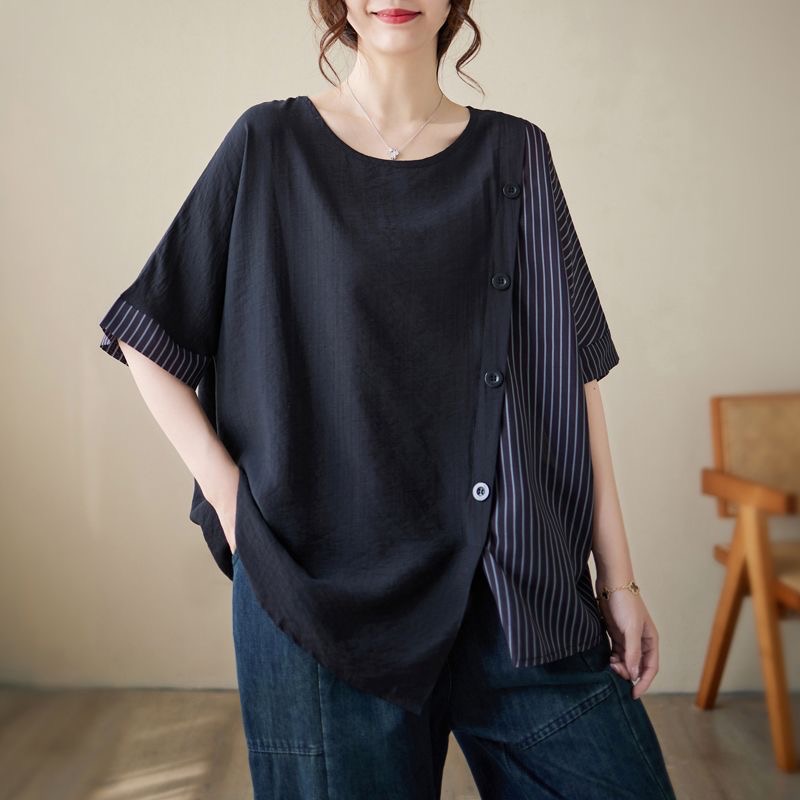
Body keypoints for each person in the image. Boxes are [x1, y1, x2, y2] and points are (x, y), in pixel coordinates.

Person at [98, 2, 678, 798]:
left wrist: (619, 581)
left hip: (512, 590)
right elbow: (147, 332)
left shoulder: (516, 153)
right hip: (321, 599)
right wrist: (236, 511)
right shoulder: (268, 144)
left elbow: (571, 372)